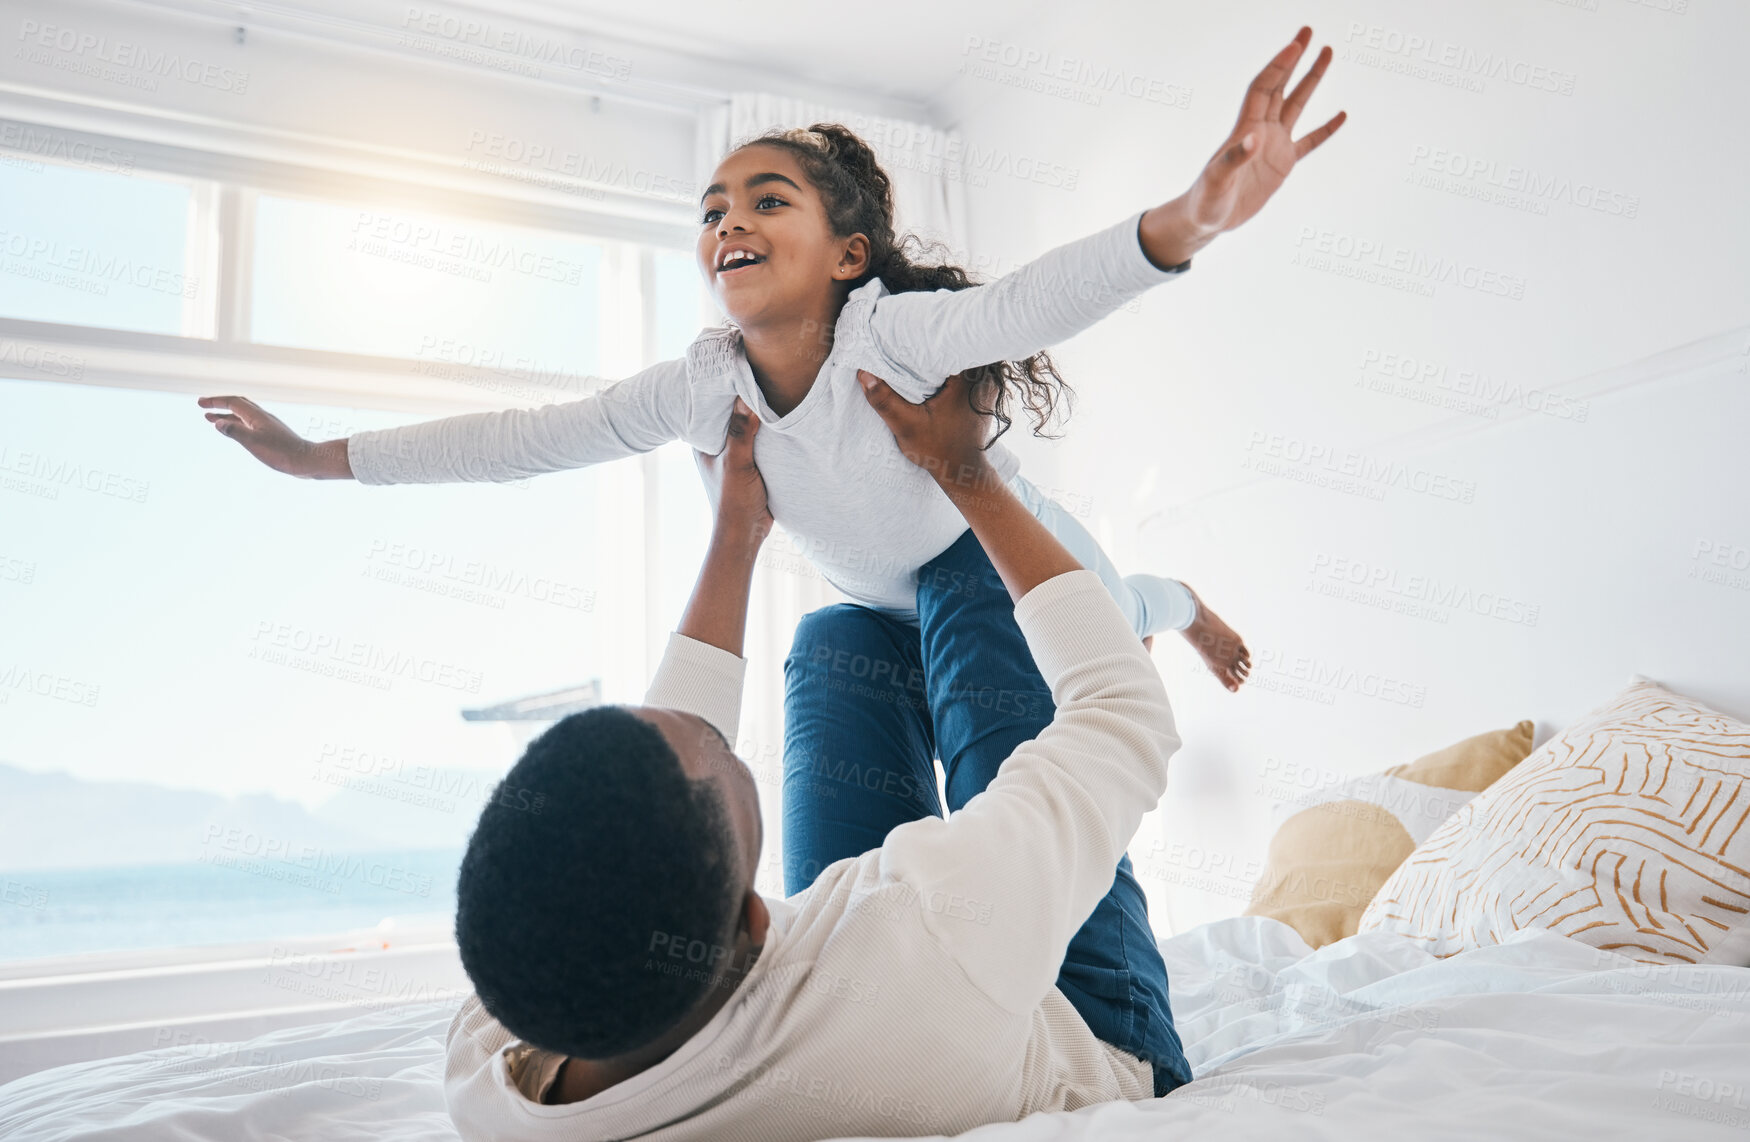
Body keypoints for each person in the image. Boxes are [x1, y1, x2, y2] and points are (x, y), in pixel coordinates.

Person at [192, 28, 1347, 693]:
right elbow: (524, 440)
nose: (727, 220)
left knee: (1119, 609)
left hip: (987, 558)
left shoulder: (890, 333)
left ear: (850, 253)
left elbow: (1032, 299)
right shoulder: (706, 382)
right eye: (711, 208)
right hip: (870, 607)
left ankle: (1183, 598)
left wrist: (1191, 217)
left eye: (764, 197)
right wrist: (315, 457)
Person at [445, 368, 1190, 1141]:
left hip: (874, 994)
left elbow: (659, 792)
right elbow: (1124, 712)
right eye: (726, 762)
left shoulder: (492, 1059)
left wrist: (735, 535)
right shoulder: (935, 942)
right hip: (1083, 1025)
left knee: (836, 642)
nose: (709, 733)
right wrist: (966, 474)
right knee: (967, 580)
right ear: (756, 922)